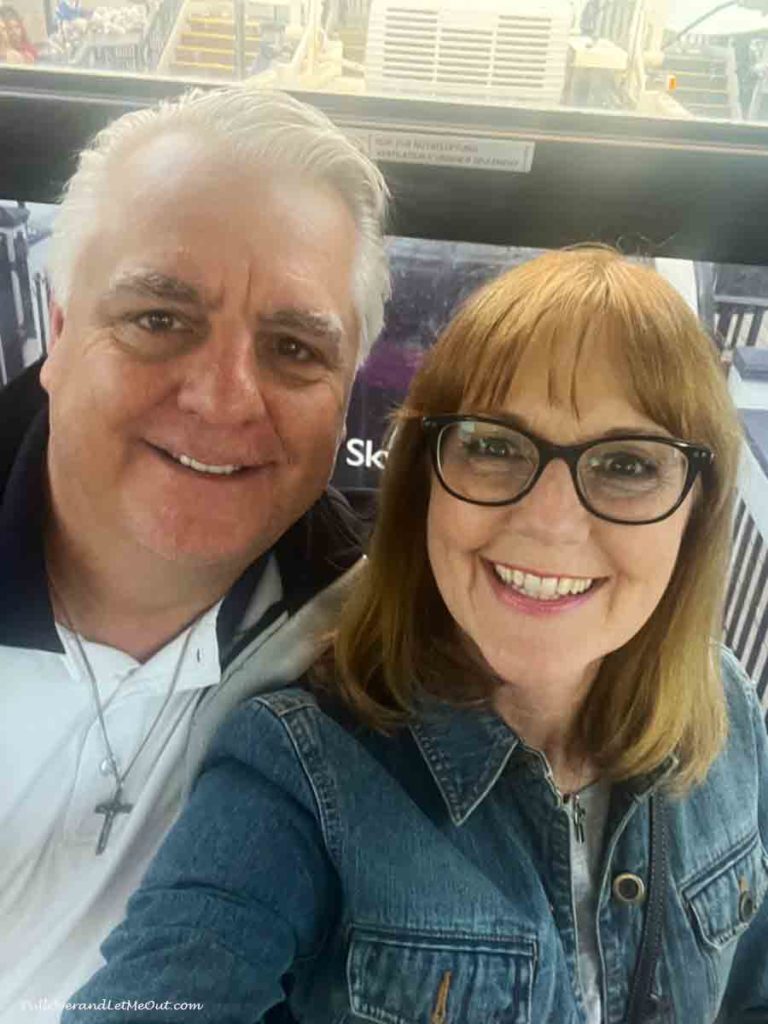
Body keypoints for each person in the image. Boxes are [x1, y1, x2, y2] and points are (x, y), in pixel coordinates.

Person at [64, 248, 767, 1023]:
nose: (551, 524)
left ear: (697, 509)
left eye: (628, 464)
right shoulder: (303, 770)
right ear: (424, 480)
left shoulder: (726, 707)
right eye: (495, 446)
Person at [0, 86, 389, 1023]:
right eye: (159, 319)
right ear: (59, 335)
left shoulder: (381, 630)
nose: (223, 400)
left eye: (295, 348)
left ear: (344, 400)